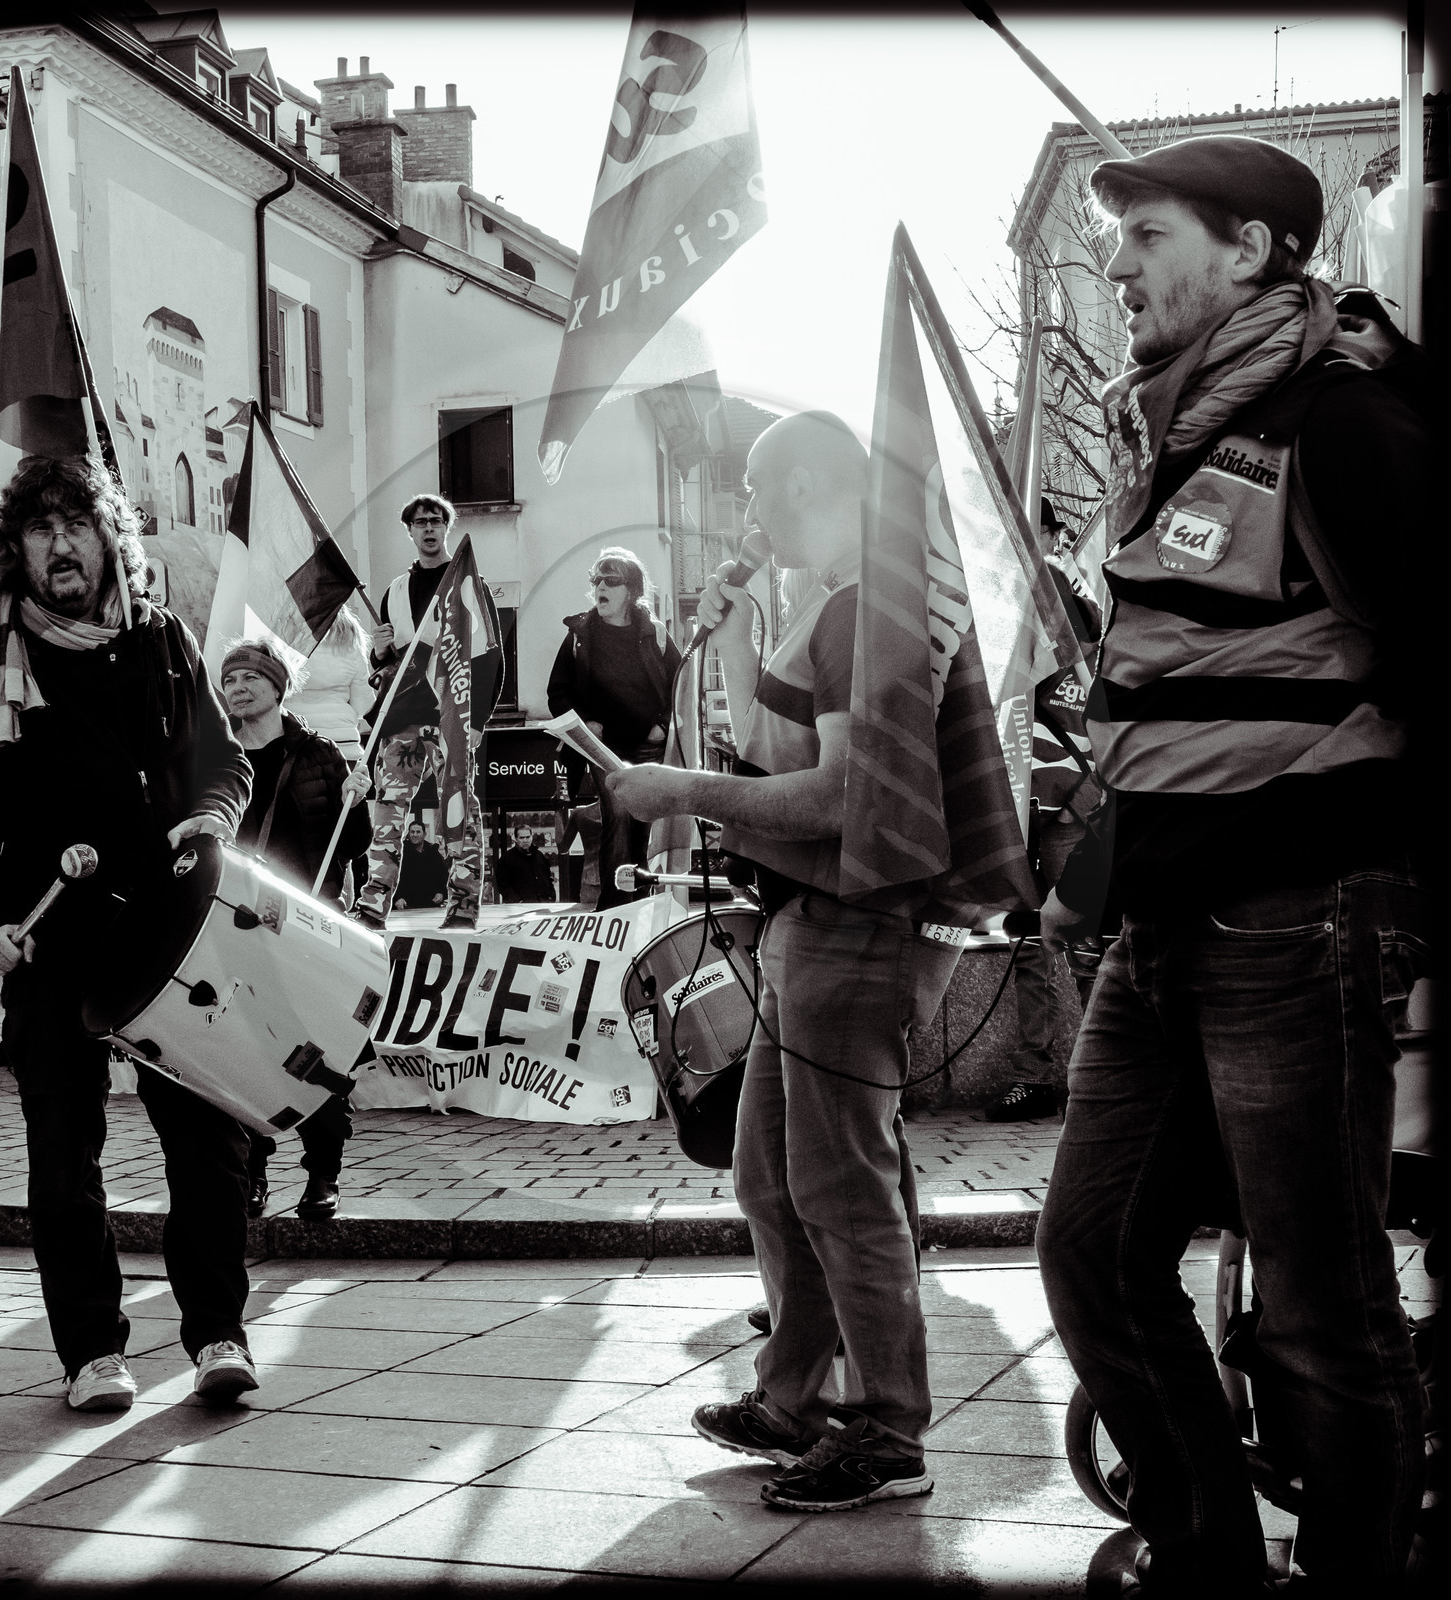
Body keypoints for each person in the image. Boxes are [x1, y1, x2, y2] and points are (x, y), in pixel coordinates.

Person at [1036, 136, 1432, 1596]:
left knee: (1322, 1314)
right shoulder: (1190, 441)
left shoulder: (1346, 426)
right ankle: (1206, 1564)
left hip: (1299, 922)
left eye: (1145, 236)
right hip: (1161, 932)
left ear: (1251, 252)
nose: (1117, 265)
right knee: (1093, 1255)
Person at [606, 411, 964, 1514]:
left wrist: (680, 794)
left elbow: (837, 793)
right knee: (770, 1175)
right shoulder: (837, 602)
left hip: (854, 928)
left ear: (807, 482)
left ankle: (886, 1425)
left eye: (756, 490)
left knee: (838, 1184)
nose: (747, 513)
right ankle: (794, 1397)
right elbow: (781, 745)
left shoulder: (866, 604)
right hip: (807, 923)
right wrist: (723, 641)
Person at [0, 454, 260, 1415]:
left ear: (111, 536)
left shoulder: (160, 639)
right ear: (16, 547)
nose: (60, 545)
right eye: (40, 529)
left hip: (167, 933)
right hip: (51, 940)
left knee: (208, 1147)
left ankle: (218, 1332)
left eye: (78, 524)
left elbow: (221, 764)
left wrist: (213, 817)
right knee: (64, 1162)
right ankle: (92, 1354)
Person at [220, 637, 372, 1220]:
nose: (239, 688)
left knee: (319, 1053)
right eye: (230, 680)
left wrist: (355, 802)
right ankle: (252, 1173)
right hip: (238, 924)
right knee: (246, 1051)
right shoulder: (217, 757)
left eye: (250, 678)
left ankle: (322, 1177)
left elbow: (352, 844)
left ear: (278, 685)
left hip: (309, 923)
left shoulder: (319, 755)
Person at [986, 500, 1101, 1123]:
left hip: (1064, 801)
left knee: (1085, 941)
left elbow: (1084, 694)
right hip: (1023, 798)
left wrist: (1080, 788)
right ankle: (1038, 1074)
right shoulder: (1003, 591)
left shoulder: (1056, 586)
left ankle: (1101, 1080)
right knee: (1029, 943)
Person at [354, 493, 501, 926]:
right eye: (421, 522)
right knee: (389, 812)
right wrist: (379, 654)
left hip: (452, 718)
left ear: (447, 528)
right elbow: (386, 669)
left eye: (437, 520)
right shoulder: (394, 591)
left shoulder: (469, 585)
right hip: (403, 718)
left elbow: (491, 656)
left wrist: (478, 721)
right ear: (410, 531)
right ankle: (374, 902)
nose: (429, 528)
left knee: (459, 809)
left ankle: (463, 903)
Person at [546, 547, 680, 910]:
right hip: (604, 749)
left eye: (611, 580)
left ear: (632, 590)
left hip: (648, 746)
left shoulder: (655, 633)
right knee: (619, 814)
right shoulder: (580, 634)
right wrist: (586, 722)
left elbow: (681, 684)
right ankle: (615, 906)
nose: (600, 586)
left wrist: (662, 726)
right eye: (596, 580)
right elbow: (556, 692)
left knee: (643, 822)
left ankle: (641, 901)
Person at [283, 602, 373, 763]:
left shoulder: (286, 645)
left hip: (298, 741)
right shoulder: (352, 645)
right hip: (344, 745)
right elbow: (364, 706)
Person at [393, 820, 449, 910]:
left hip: (430, 905)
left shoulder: (433, 851)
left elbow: (443, 875)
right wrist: (397, 898)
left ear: (424, 834)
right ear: (408, 833)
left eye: (418, 832)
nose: (415, 835)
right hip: (406, 905)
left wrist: (441, 892)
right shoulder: (400, 851)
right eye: (412, 832)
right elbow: (391, 877)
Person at [494, 823, 556, 904]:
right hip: (520, 908)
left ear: (532, 837)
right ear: (515, 839)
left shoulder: (539, 855)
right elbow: (502, 884)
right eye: (521, 838)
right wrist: (517, 901)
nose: (525, 840)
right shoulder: (507, 858)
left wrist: (551, 896)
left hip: (543, 904)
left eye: (528, 837)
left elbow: (548, 877)